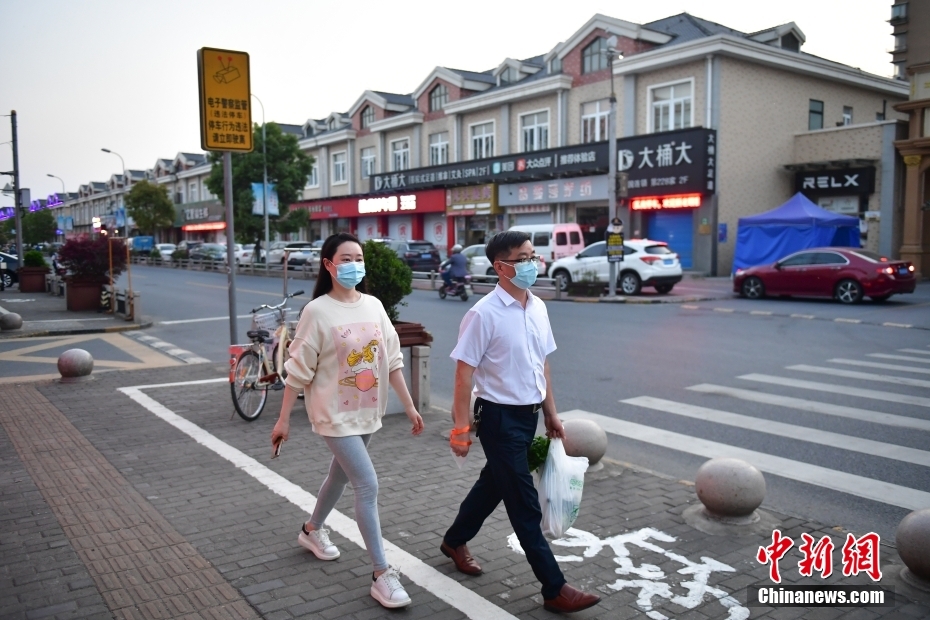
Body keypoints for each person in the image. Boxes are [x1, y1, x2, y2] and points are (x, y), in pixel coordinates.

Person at [441, 231, 600, 614]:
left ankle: (454, 540)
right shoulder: (483, 313)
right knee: (524, 504)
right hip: (498, 419)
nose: (532, 264)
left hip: (528, 417)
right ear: (500, 266)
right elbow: (464, 375)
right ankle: (554, 588)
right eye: (522, 258)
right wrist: (461, 428)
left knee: (493, 485)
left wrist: (551, 413)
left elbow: (541, 364)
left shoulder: (538, 307)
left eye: (533, 256)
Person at [271, 232, 425, 609]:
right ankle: (380, 573)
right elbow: (298, 370)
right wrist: (283, 421)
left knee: (339, 477)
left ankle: (311, 530)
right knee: (367, 485)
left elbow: (391, 361)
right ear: (328, 264)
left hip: (366, 412)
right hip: (332, 413)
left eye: (359, 257)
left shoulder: (373, 305)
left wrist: (409, 406)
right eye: (345, 258)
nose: (354, 263)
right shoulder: (317, 311)